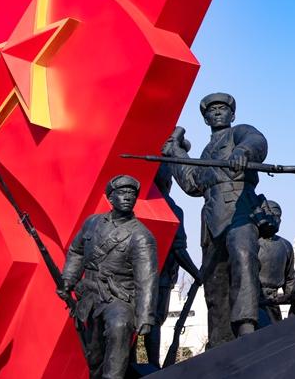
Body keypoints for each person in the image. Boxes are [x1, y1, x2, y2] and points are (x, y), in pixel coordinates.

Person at [164, 92, 268, 346]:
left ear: (233, 114)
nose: (218, 112)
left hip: (239, 210)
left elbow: (257, 140)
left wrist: (243, 151)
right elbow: (192, 184)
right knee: (214, 281)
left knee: (243, 257)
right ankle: (219, 340)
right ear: (206, 119)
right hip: (211, 221)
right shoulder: (206, 152)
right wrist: (176, 152)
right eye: (212, 110)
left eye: (223, 108)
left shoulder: (238, 134)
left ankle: (246, 325)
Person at [58, 175, 158, 379]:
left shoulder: (141, 236)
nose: (128, 197)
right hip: (90, 298)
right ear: (111, 198)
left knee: (119, 328)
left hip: (119, 299)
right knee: (95, 358)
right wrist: (68, 279)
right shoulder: (92, 223)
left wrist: (145, 316)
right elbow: (77, 251)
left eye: (132, 194)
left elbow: (146, 279)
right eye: (122, 193)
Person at [143, 162, 201, 368]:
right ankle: (153, 366)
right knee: (154, 321)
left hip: (134, 278)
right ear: (168, 182)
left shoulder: (138, 204)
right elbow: (178, 248)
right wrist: (196, 273)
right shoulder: (173, 208)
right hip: (160, 277)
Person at [256, 198, 295, 327]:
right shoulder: (252, 242)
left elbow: (290, 279)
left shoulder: (285, 245)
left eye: (278, 216)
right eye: (272, 215)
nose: (276, 219)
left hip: (273, 303)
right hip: (253, 301)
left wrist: (294, 305)